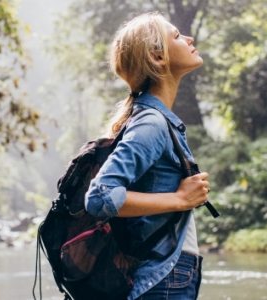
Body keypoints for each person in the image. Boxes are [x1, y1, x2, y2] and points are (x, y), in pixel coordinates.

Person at [84, 12, 211, 300]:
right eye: (177, 36)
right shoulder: (152, 123)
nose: (189, 39)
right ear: (157, 57)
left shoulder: (155, 120)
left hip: (170, 274)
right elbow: (101, 196)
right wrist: (179, 199)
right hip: (164, 280)